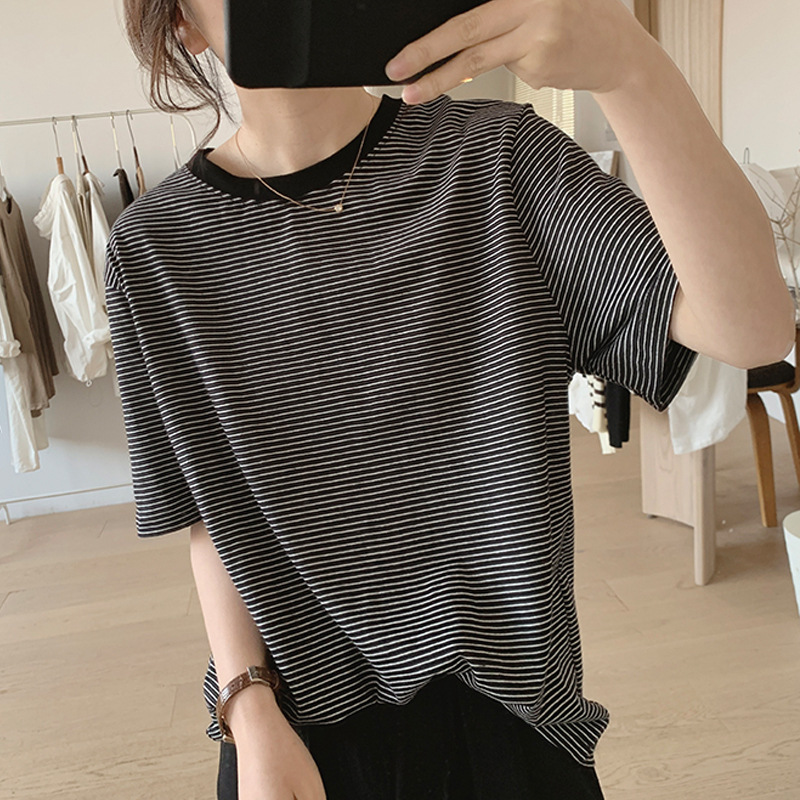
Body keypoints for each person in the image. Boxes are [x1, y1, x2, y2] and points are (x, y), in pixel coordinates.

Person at [110, 1, 794, 799]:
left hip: (512, 715)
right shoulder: (155, 248)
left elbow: (752, 328)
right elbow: (212, 510)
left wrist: (632, 68)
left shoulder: (500, 162)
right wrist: (245, 704)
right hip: (291, 731)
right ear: (182, 24)